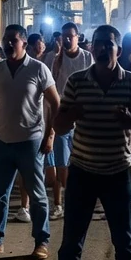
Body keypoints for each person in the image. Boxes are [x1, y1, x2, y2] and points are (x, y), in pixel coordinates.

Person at [42, 25, 131, 260]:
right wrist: (70, 115)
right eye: (99, 44)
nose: (103, 49)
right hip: (83, 172)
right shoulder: (77, 82)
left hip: (117, 172)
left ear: (119, 49)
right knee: (72, 244)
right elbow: (60, 125)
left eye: (110, 44)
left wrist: (129, 119)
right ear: (92, 48)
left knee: (125, 242)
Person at [0, 24, 60, 260]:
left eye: (14, 40)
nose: (9, 44)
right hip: (1, 140)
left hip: (30, 140)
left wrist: (50, 134)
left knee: (38, 195)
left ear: (24, 43)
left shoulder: (39, 69)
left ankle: (42, 241)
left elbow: (55, 103)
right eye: (6, 40)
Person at [47, 22, 94, 218]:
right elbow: (51, 82)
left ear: (78, 37)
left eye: (70, 36)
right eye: (63, 36)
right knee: (61, 163)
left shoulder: (86, 57)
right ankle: (58, 204)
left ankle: (79, 202)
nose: (66, 40)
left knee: (82, 163)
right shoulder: (54, 57)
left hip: (82, 118)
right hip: (61, 115)